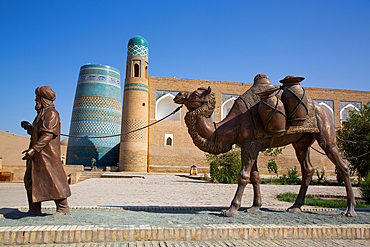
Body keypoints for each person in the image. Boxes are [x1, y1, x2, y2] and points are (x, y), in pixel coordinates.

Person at [21, 86, 71, 215]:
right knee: (31, 180)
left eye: (37, 98)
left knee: (53, 180)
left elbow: (48, 135)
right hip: (38, 155)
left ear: (43, 100)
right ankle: (34, 209)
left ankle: (63, 208)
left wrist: (33, 149)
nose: (35, 100)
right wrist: (29, 127)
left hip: (47, 155)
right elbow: (38, 133)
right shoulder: (41, 115)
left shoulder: (51, 114)